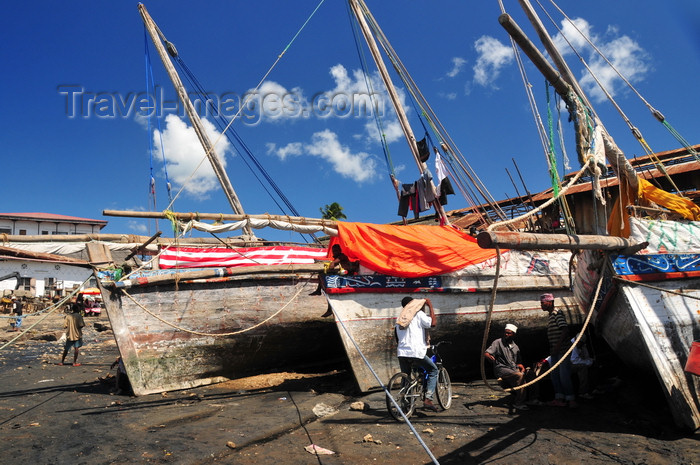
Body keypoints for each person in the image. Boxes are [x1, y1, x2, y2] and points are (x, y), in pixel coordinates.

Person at [395, 296, 439, 412]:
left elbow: (397, 338)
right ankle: (428, 400)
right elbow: (433, 323)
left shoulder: (400, 317)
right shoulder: (418, 314)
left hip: (402, 352)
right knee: (433, 370)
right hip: (416, 352)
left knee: (406, 376)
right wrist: (430, 306)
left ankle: (406, 406)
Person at [540, 293, 578, 408]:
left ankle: (571, 399)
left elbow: (565, 330)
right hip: (555, 351)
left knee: (564, 375)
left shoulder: (557, 313)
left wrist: (557, 346)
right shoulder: (551, 315)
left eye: (542, 303)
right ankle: (559, 398)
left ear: (550, 302)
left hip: (562, 350)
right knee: (554, 374)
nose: (541, 305)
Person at [485, 323, 529, 410]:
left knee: (530, 374)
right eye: (505, 332)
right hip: (502, 369)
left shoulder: (516, 347)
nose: (506, 334)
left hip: (513, 369)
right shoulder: (497, 342)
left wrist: (521, 367)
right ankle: (519, 402)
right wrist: (489, 357)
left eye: (509, 333)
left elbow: (518, 362)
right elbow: (487, 353)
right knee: (519, 376)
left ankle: (532, 398)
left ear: (513, 334)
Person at [60, 301, 85, 366]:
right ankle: (74, 362)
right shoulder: (79, 316)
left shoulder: (68, 316)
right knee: (76, 348)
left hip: (69, 335)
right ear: (77, 309)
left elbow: (65, 326)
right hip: (77, 335)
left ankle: (62, 361)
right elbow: (81, 325)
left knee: (66, 349)